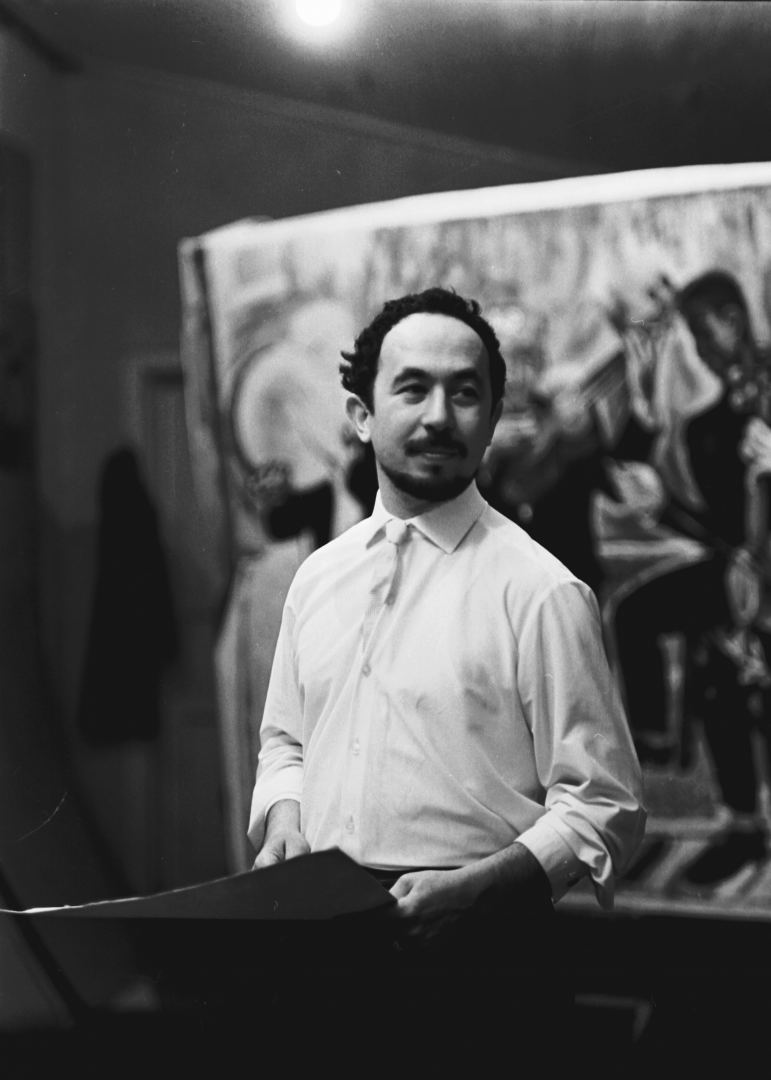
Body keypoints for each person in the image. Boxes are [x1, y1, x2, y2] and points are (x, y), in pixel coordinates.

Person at [247, 286, 645, 1060]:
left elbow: (605, 804)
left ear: (491, 420)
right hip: (323, 949)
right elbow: (285, 743)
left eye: (465, 393)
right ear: (362, 415)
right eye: (412, 388)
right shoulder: (317, 579)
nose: (438, 416)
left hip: (487, 963)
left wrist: (481, 890)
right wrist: (285, 821)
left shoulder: (541, 591)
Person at [605, 269, 771, 890]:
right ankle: (737, 822)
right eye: (693, 339)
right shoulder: (710, 425)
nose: (700, 351)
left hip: (757, 576)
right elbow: (716, 530)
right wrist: (644, 407)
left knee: (721, 665)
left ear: (732, 319)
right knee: (672, 636)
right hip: (742, 572)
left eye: (704, 334)